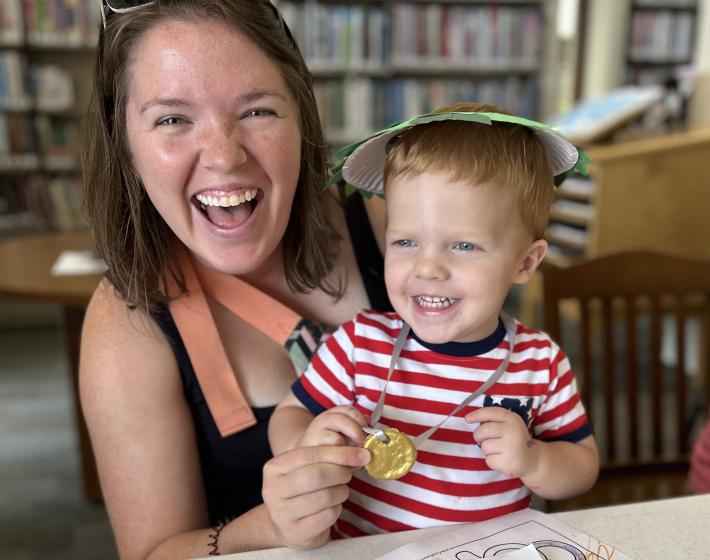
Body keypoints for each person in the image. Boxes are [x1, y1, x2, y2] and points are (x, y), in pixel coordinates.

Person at [79, 1, 388, 557]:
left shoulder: (398, 234)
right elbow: (152, 552)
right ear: (124, 145)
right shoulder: (126, 319)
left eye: (257, 112)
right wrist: (270, 531)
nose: (224, 156)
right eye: (173, 119)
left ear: (303, 120)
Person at [270, 102, 600, 538]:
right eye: (406, 241)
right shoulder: (360, 344)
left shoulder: (539, 363)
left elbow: (583, 466)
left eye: (463, 246)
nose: (427, 268)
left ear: (524, 262)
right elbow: (288, 415)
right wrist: (308, 440)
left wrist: (534, 459)